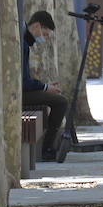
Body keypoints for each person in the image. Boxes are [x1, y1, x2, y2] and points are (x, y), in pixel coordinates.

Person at [21, 10, 68, 163]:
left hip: (21, 91)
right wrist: (45, 87)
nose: (44, 38)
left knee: (58, 98)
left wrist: (45, 86)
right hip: (20, 94)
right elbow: (25, 83)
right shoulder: (23, 44)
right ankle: (47, 149)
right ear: (36, 26)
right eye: (45, 34)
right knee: (61, 102)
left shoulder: (23, 40)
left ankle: (50, 145)